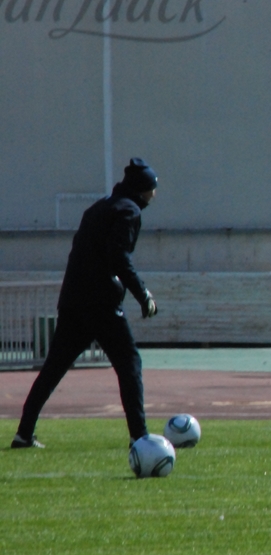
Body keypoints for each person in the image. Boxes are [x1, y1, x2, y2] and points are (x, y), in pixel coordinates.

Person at [11, 158, 160, 449]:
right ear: (142, 189)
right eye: (152, 188)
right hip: (101, 304)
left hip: (73, 300)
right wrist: (143, 295)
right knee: (129, 364)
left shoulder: (98, 207)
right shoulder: (129, 211)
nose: (154, 194)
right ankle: (139, 436)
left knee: (53, 369)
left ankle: (24, 433)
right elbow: (119, 257)